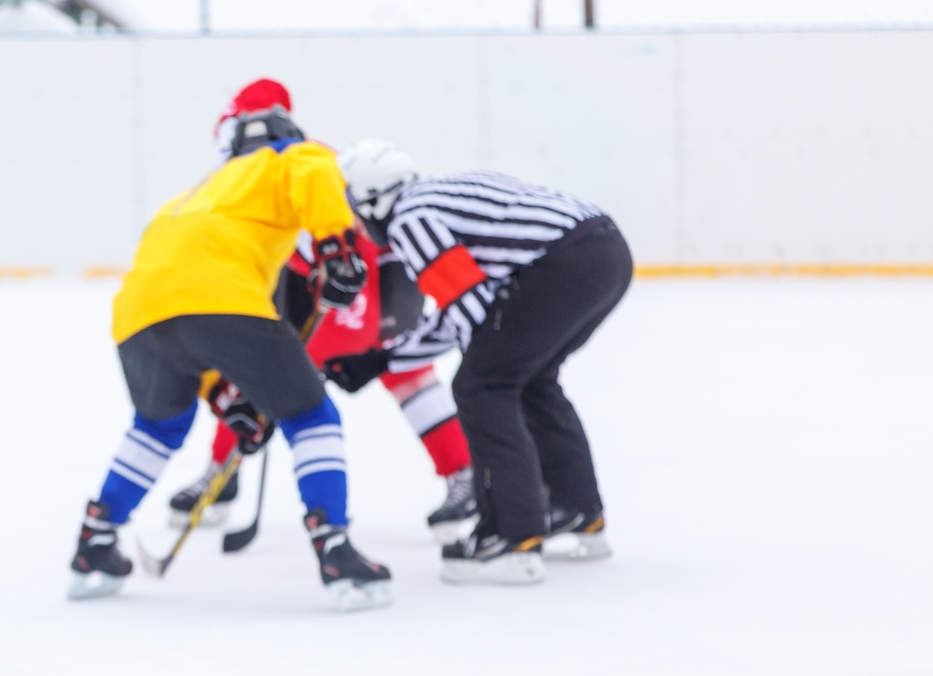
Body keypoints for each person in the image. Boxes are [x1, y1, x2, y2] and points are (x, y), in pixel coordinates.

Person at [69, 80, 392, 612]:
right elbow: (313, 172)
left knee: (159, 425)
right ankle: (334, 545)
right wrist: (337, 250)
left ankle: (95, 541)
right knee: (312, 415)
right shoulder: (290, 156)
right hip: (221, 297)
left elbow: (189, 321)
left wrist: (226, 397)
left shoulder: (197, 192)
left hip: (137, 314)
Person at [324, 140, 632, 585]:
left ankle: (510, 535)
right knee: (531, 379)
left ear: (373, 200)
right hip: (605, 253)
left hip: (564, 264)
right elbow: (473, 313)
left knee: (481, 386)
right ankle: (576, 509)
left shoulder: (411, 219)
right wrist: (384, 360)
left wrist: (377, 361)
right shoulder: (438, 193)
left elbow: (470, 316)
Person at [168, 221, 477, 543]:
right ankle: (221, 472)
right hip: (314, 313)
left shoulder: (342, 202)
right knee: (255, 380)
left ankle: (463, 474)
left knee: (410, 375)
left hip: (362, 306)